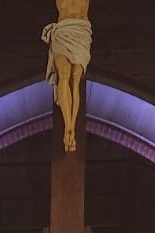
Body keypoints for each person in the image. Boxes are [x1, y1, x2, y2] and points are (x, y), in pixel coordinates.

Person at [42, 0, 91, 153]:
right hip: (63, 29)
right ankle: (67, 127)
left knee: (75, 80)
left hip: (80, 30)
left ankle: (71, 128)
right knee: (64, 74)